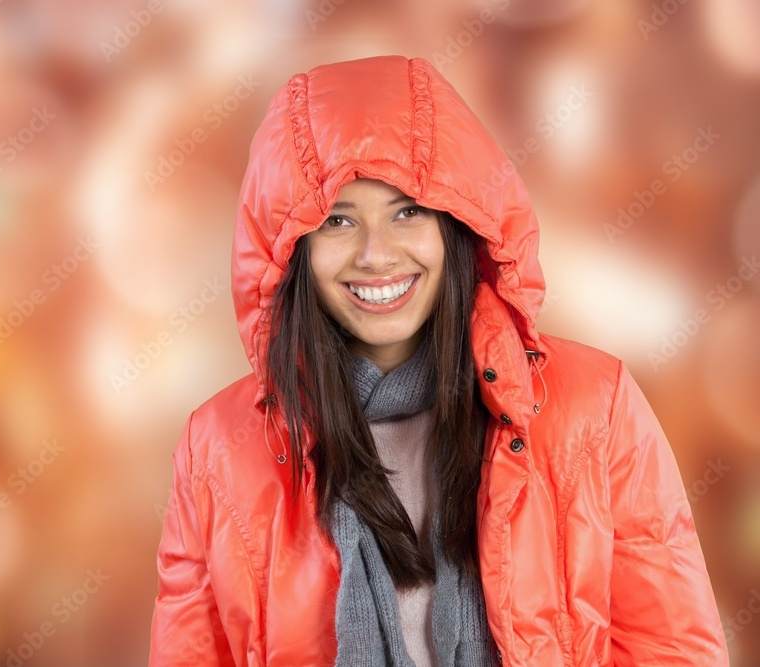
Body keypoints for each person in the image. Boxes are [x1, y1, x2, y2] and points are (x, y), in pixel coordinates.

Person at [148, 55, 729, 667]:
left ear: (458, 223)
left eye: (408, 211)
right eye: (338, 220)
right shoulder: (217, 447)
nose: (377, 255)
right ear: (293, 251)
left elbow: (672, 649)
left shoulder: (593, 404)